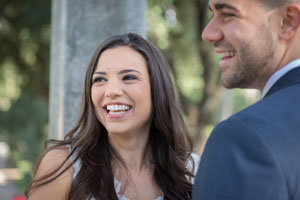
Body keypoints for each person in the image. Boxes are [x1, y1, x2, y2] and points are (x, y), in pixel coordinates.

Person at [26, 33, 200, 200]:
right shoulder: (63, 165)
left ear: (158, 89)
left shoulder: (194, 171)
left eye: (129, 77)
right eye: (100, 80)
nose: (111, 91)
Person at [193, 0, 300, 199]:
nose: (208, 34)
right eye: (212, 15)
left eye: (227, 14)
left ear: (287, 21)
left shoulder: (244, 137)